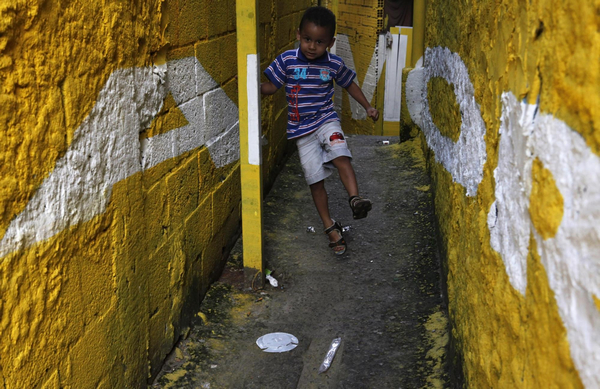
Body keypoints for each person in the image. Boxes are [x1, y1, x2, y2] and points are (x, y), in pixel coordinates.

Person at [261, 6, 379, 256]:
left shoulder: (334, 64)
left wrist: (368, 106)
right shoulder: (287, 60)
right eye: (307, 39)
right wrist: (249, 84)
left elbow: (350, 85)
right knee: (316, 181)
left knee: (341, 154)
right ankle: (330, 227)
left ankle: (355, 199)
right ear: (298, 35)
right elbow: (271, 87)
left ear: (330, 42)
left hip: (327, 121)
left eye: (319, 42)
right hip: (301, 132)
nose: (312, 46)